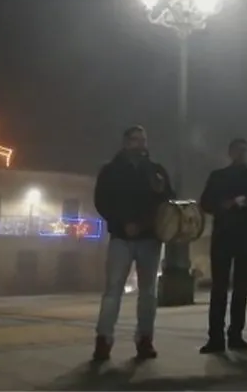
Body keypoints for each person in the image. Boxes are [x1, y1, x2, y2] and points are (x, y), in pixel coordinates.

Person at [92, 125, 174, 362]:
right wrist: (122, 223)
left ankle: (145, 339)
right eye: (136, 140)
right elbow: (102, 201)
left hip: (150, 239)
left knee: (148, 292)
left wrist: (151, 224)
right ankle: (103, 340)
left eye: (144, 140)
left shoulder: (156, 171)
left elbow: (167, 201)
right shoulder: (111, 171)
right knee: (112, 291)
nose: (141, 144)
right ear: (125, 142)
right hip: (121, 238)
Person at [198, 138, 247, 354]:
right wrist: (225, 204)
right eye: (237, 150)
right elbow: (205, 203)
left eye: (244, 150)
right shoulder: (218, 176)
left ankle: (236, 334)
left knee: (241, 288)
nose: (241, 154)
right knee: (219, 288)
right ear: (230, 152)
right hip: (223, 236)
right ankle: (215, 337)